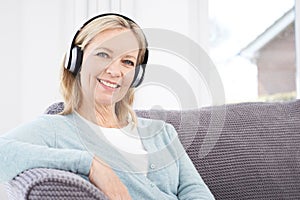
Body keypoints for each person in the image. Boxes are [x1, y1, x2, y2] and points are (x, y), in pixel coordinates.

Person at [0, 13, 214, 200]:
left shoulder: (162, 132)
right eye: (103, 54)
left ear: (137, 76)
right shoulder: (55, 129)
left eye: (128, 62)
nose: (115, 70)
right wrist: (90, 164)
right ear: (77, 60)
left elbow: (196, 192)